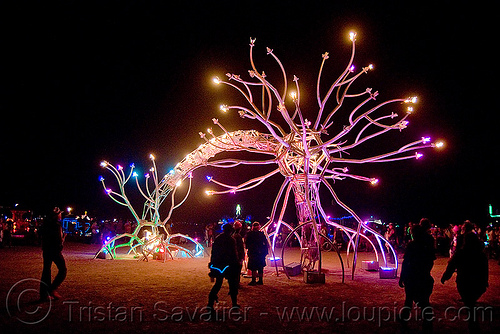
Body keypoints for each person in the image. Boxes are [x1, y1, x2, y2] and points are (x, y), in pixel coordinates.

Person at [441, 232, 489, 333]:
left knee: (469, 303)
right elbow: (485, 269)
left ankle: (473, 324)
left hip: (464, 281)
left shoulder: (461, 253)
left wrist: (446, 276)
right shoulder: (481, 254)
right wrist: (485, 281)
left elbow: (451, 266)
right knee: (470, 303)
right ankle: (473, 324)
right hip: (478, 282)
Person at [399, 224, 436, 333]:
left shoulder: (413, 245)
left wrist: (402, 276)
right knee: (424, 301)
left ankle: (405, 320)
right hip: (423, 276)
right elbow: (430, 261)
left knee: (410, 300)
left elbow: (406, 262)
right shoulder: (427, 246)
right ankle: (427, 322)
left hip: (413, 277)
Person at [208, 223, 240, 312]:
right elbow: (233, 253)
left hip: (218, 264)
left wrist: (212, 263)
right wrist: (236, 264)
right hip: (229, 265)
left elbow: (213, 252)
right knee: (232, 284)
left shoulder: (218, 239)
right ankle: (234, 304)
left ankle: (210, 304)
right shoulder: (231, 240)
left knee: (218, 284)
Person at [40, 207, 67, 301]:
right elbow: (58, 240)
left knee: (46, 271)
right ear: (56, 215)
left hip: (46, 249)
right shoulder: (56, 225)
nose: (61, 215)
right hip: (54, 250)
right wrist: (62, 239)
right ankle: (52, 289)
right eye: (60, 214)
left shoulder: (46, 224)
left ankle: (44, 294)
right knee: (63, 270)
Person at [245, 221, 268, 286]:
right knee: (260, 267)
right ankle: (260, 280)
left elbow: (247, 243)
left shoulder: (249, 234)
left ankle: (253, 280)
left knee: (253, 267)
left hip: (253, 253)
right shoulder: (261, 234)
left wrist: (248, 249)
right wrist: (265, 252)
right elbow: (265, 243)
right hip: (261, 253)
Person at [232, 220, 245, 286]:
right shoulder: (238, 236)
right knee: (237, 269)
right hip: (238, 255)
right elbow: (240, 247)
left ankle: (235, 282)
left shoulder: (233, 235)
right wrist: (242, 256)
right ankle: (236, 283)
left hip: (235, 255)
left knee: (235, 270)